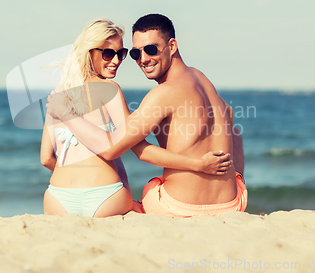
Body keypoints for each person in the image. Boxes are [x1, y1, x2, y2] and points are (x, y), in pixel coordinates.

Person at [47, 14, 247, 217]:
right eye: (135, 53)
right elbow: (231, 122)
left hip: (178, 206)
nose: (143, 59)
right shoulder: (200, 77)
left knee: (145, 194)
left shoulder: (162, 94)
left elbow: (111, 150)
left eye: (151, 50)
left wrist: (66, 114)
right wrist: (236, 175)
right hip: (232, 204)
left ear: (172, 46)